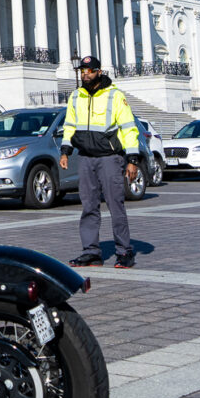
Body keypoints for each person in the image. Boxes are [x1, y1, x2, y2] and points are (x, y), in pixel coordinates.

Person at [60, 55, 139, 269]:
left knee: (115, 205)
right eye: (82, 71)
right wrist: (65, 151)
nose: (85, 75)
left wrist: (132, 159)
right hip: (85, 157)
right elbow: (69, 125)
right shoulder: (76, 96)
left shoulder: (115, 96)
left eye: (90, 71)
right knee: (88, 206)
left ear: (99, 72)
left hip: (109, 159)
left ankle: (124, 252)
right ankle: (91, 252)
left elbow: (129, 128)